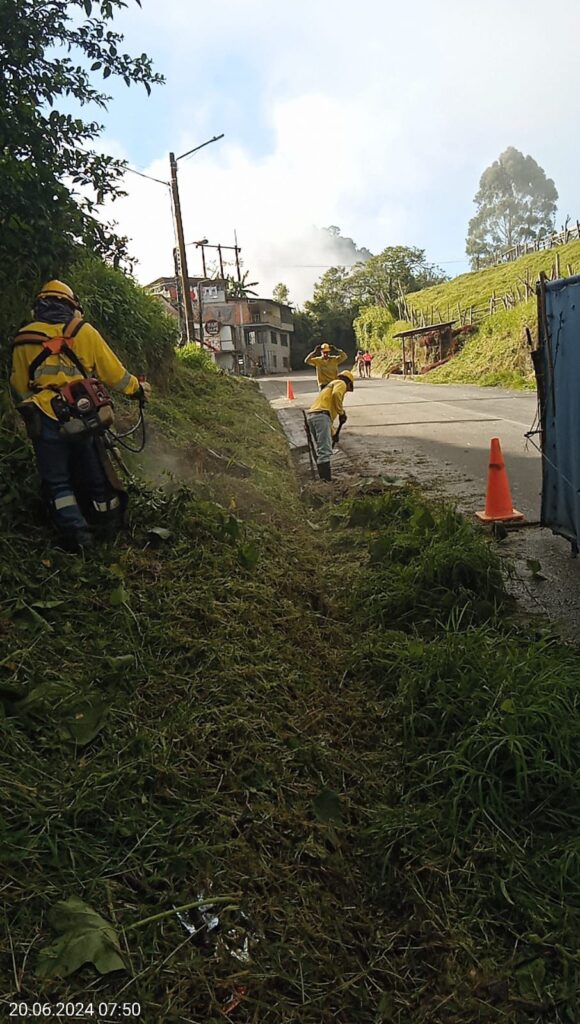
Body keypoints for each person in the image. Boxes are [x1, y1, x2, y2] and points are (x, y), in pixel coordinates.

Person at [10, 280, 152, 551]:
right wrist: (138, 390)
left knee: (57, 481)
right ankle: (107, 525)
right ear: (71, 305)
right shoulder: (83, 332)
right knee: (93, 470)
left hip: (44, 418)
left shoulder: (24, 339)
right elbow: (116, 375)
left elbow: (18, 387)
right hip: (82, 416)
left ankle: (78, 537)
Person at [306, 370, 354, 481]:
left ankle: (322, 478)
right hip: (321, 417)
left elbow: (328, 418)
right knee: (324, 451)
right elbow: (336, 394)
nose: (345, 392)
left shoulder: (329, 386)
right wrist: (342, 413)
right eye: (348, 389)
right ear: (349, 383)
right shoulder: (340, 383)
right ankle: (326, 482)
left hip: (313, 417)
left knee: (321, 450)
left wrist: (333, 434)